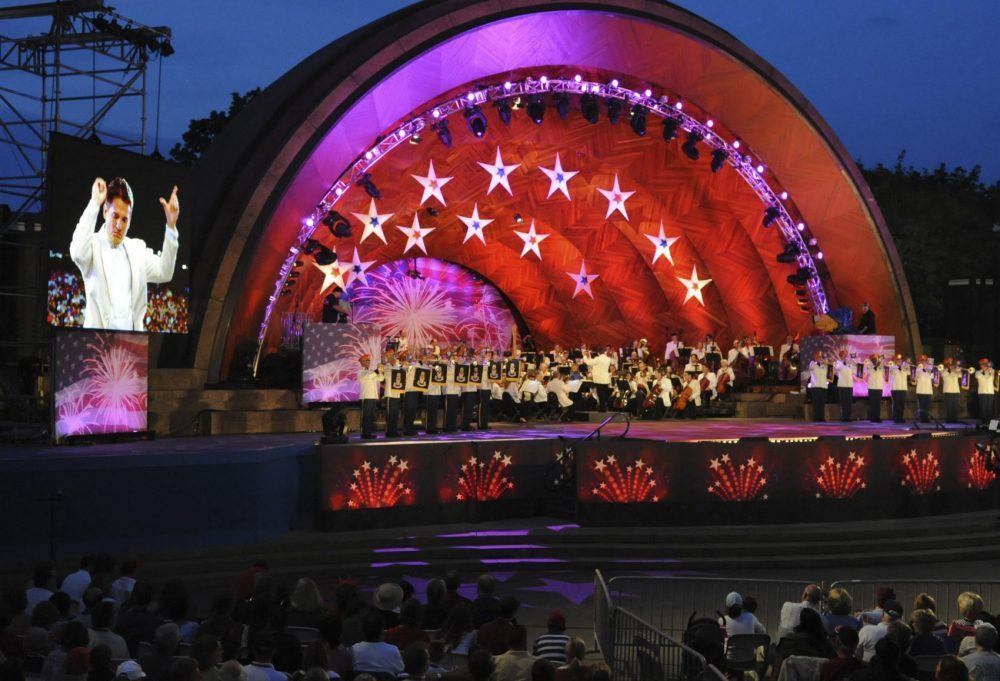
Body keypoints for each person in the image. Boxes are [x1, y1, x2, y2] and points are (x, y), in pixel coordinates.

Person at [70, 177, 179, 331]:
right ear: (105, 212)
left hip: (132, 346)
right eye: (115, 216)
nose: (119, 225)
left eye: (124, 219)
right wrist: (94, 203)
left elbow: (165, 272)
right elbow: (77, 253)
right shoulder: (93, 245)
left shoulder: (137, 249)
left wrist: (171, 227)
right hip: (97, 343)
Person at [350, 611, 404, 677]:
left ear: (363, 630)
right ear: (382, 630)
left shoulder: (353, 649)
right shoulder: (393, 650)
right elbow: (401, 672)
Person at [357, 355, 380, 439]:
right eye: (366, 360)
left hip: (373, 396)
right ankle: (364, 433)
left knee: (370, 415)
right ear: (362, 362)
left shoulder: (371, 371)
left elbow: (380, 379)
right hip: (366, 396)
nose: (368, 362)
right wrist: (376, 371)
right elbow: (366, 377)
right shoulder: (360, 372)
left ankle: (369, 432)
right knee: (366, 416)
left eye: (369, 360)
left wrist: (381, 371)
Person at [835, 352, 857, 422]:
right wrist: (844, 362)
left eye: (846, 355)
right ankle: (843, 416)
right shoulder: (838, 362)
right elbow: (837, 368)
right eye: (844, 355)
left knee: (848, 402)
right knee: (843, 402)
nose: (845, 357)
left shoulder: (849, 364)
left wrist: (853, 362)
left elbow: (855, 370)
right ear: (841, 356)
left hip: (849, 385)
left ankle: (848, 416)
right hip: (842, 385)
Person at [809, 352, 830, 422]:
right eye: (818, 357)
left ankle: (821, 417)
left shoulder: (824, 366)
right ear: (815, 358)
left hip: (823, 386)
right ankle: (816, 417)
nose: (819, 358)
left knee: (822, 403)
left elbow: (830, 372)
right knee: (816, 402)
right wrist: (819, 363)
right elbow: (811, 367)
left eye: (820, 357)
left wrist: (827, 363)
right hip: (816, 386)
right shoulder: (812, 363)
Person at [865, 355, 886, 423]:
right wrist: (880, 361)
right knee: (873, 404)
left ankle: (877, 417)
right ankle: (872, 418)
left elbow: (884, 373)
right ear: (872, 360)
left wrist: (882, 364)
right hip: (872, 387)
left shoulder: (880, 366)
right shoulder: (869, 366)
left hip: (879, 387)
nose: (875, 360)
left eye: (876, 359)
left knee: (878, 404)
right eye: (874, 359)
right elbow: (874, 369)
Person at [889, 357, 910, 424]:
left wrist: (908, 365)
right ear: (895, 362)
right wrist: (900, 367)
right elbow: (892, 372)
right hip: (895, 389)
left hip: (903, 388)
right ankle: (895, 418)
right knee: (896, 404)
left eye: (900, 361)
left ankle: (900, 417)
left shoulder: (904, 368)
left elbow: (909, 373)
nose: (899, 362)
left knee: (902, 404)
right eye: (898, 361)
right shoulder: (892, 368)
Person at [974, 360, 995, 425]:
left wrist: (989, 370)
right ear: (981, 366)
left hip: (990, 392)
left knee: (989, 408)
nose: (984, 366)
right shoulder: (978, 372)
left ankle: (989, 423)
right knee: (983, 408)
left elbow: (993, 375)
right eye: (983, 365)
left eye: (985, 365)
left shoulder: (991, 371)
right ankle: (983, 423)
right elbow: (979, 377)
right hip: (982, 392)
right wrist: (984, 371)